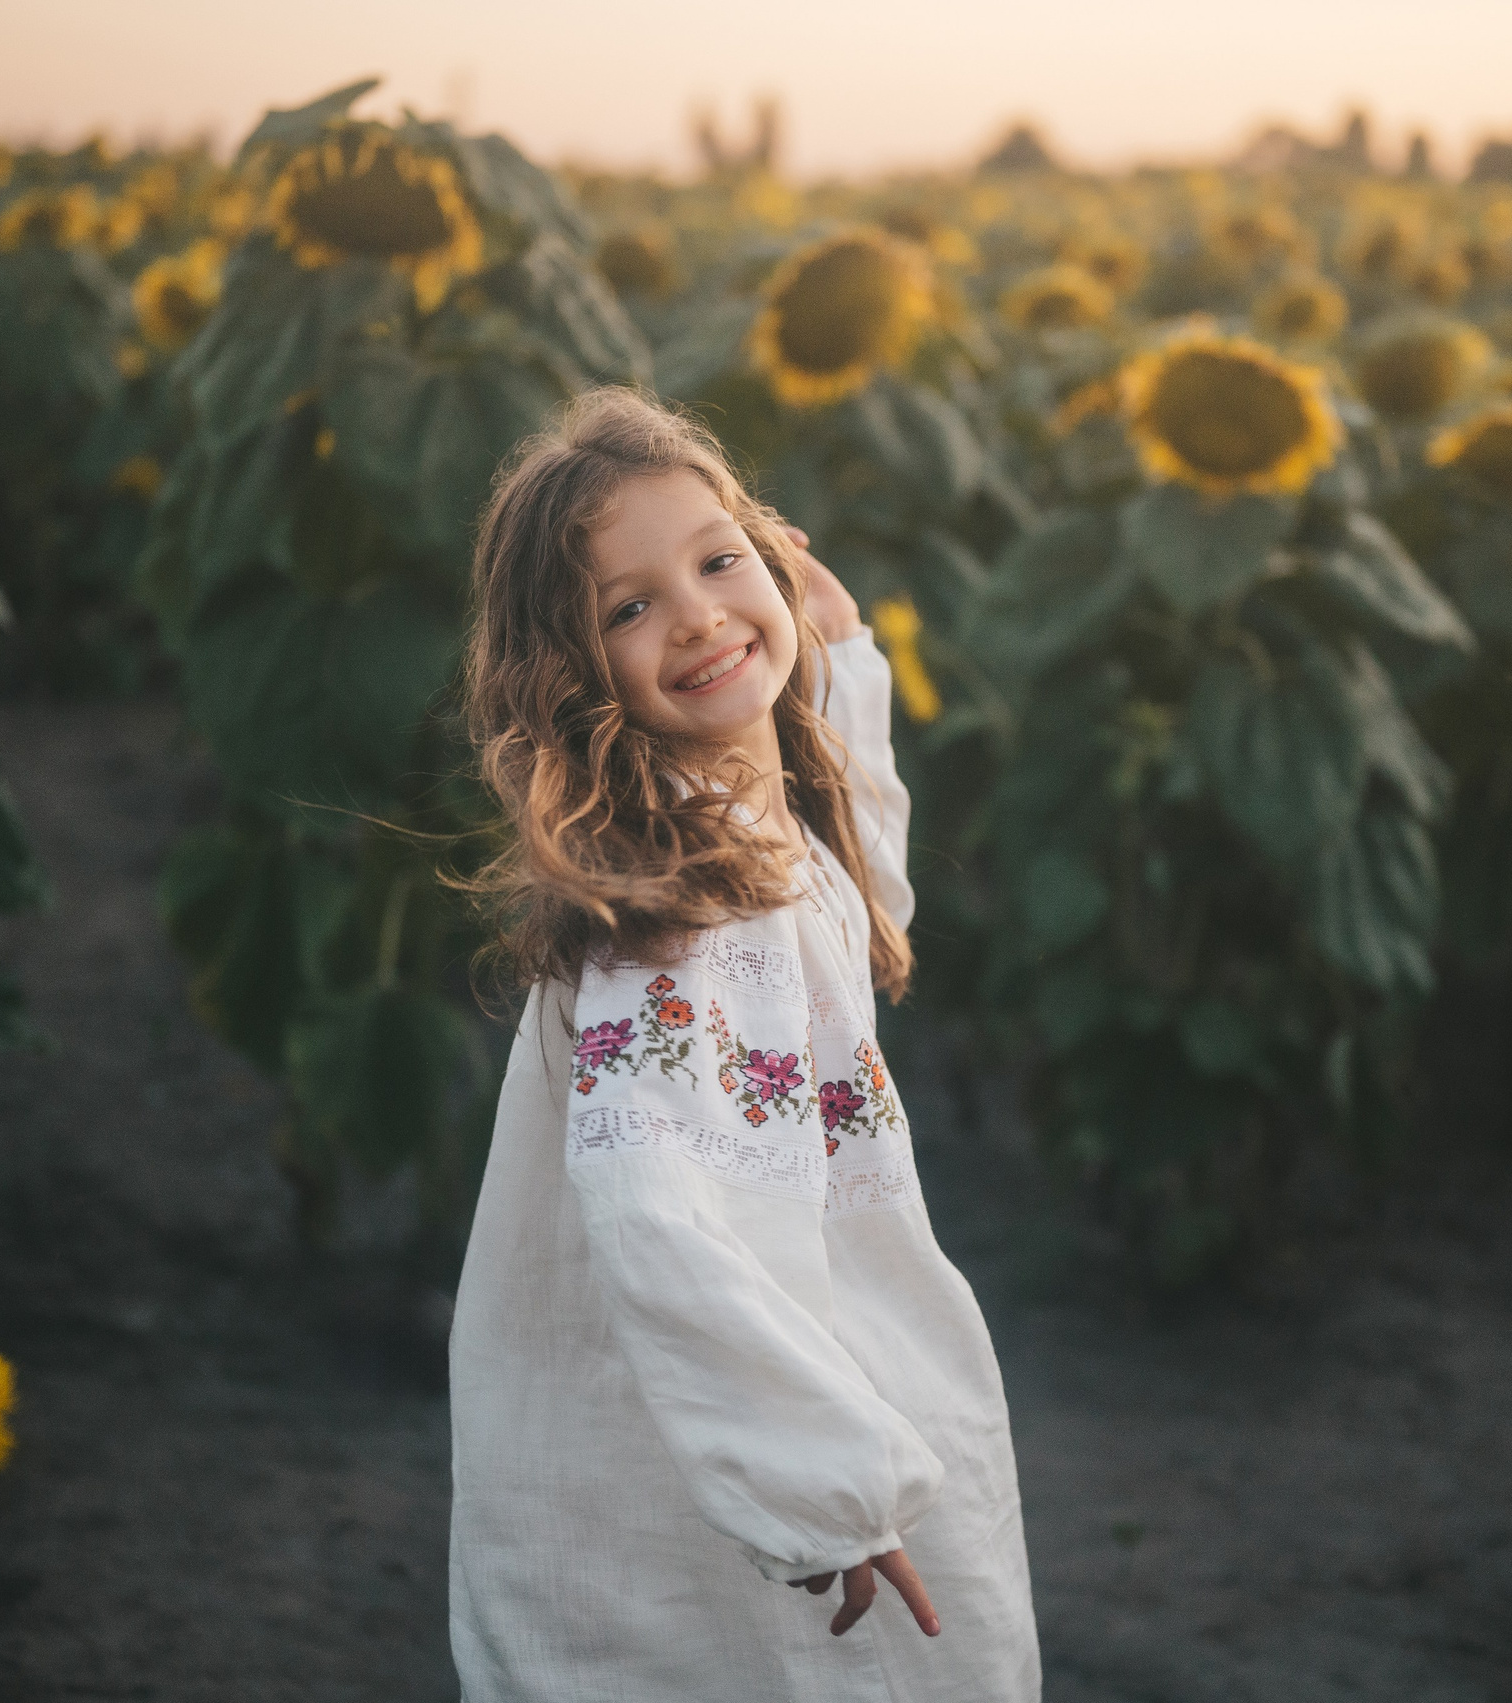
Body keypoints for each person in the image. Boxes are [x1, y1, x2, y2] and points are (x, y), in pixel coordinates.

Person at [445, 386, 1041, 1701]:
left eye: (719, 560)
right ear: (570, 671)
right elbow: (650, 1207)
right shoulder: (678, 919)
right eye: (629, 606)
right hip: (722, 1419)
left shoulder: (748, 832)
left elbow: (862, 904)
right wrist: (819, 1484)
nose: (701, 613)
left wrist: (842, 661)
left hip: (794, 1371)